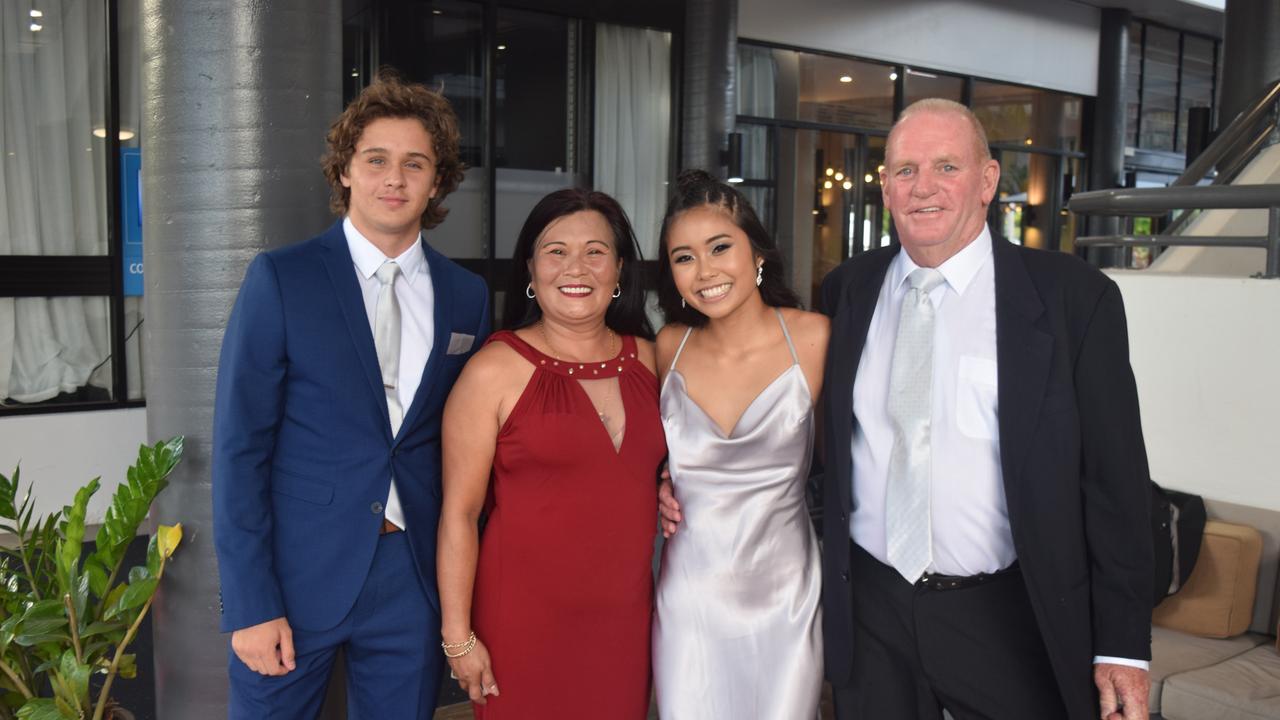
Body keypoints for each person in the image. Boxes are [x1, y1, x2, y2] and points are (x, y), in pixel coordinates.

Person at [817, 98, 1152, 719]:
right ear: (886, 188)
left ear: (988, 181)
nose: (924, 188)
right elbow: (820, 442)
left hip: (1008, 612)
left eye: (947, 166)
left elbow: (1117, 485)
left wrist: (1124, 647)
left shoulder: (1075, 299)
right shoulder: (847, 289)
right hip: (872, 609)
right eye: (906, 170)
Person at [212, 73, 490, 718]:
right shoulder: (282, 277)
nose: (394, 178)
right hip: (296, 574)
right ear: (344, 171)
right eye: (376, 160)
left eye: (414, 163)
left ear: (438, 180)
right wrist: (252, 603)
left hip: (411, 576)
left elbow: (475, 441)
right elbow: (239, 449)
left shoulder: (466, 296)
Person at [436, 188, 665, 719]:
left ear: (620, 269)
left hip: (625, 623)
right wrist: (458, 637)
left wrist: (672, 479)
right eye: (556, 251)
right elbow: (460, 515)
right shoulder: (493, 369)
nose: (575, 267)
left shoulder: (654, 360)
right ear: (531, 271)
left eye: (595, 250)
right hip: (522, 622)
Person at [649, 170, 828, 719]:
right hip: (689, 602)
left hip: (786, 600)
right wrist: (656, 480)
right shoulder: (668, 346)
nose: (705, 272)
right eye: (684, 257)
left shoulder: (814, 337)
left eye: (719, 247)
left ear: (758, 252)